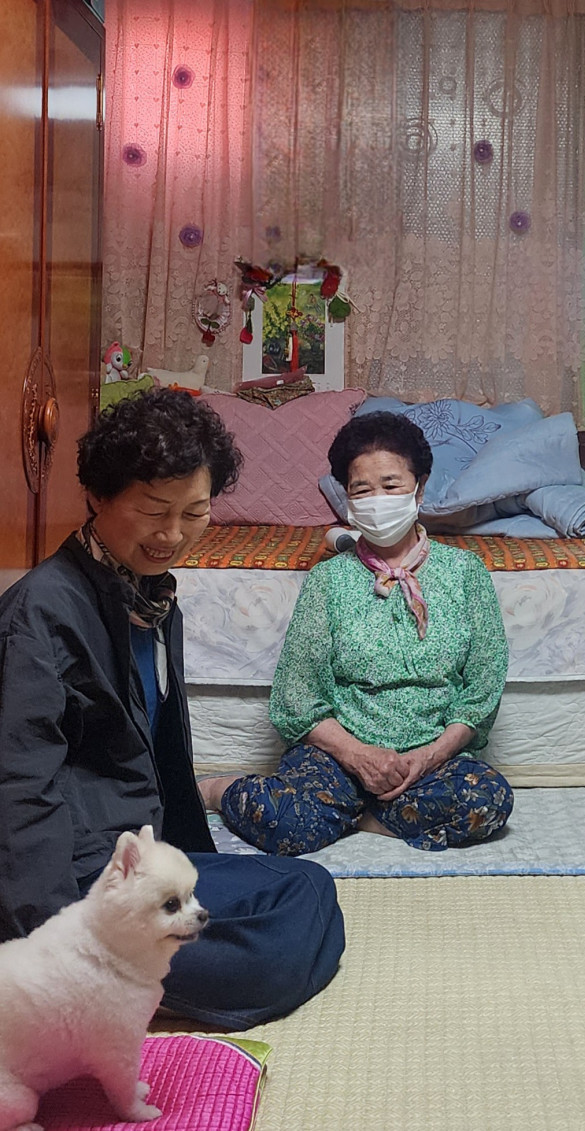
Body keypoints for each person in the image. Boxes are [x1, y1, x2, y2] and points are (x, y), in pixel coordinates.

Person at [0, 388, 345, 1030]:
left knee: (308, 887)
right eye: (153, 511)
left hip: (141, 866)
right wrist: (51, 949)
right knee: (266, 959)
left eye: (194, 512)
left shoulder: (150, 599)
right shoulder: (42, 614)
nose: (172, 535)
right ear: (97, 497)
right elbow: (18, 789)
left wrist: (186, 865)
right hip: (80, 882)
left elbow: (162, 752)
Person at [199, 412, 513, 855]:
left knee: (487, 800)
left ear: (420, 487)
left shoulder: (465, 573)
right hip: (338, 758)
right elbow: (297, 698)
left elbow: (482, 689)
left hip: (429, 761)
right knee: (286, 823)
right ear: (347, 497)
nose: (377, 500)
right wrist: (358, 756)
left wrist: (429, 756)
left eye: (391, 485)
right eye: (362, 490)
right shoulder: (329, 580)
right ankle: (219, 789)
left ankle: (354, 819)